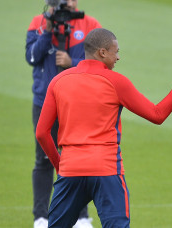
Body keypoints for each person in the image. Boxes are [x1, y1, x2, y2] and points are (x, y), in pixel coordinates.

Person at [35, 28, 172, 227]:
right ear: (102, 52)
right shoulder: (116, 82)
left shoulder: (58, 81)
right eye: (116, 51)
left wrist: (60, 165)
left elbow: (41, 133)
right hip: (106, 170)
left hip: (71, 169)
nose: (118, 57)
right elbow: (157, 115)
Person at [25, 0, 101, 227]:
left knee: (78, 158)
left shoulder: (89, 23)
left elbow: (101, 61)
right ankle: (40, 217)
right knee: (44, 160)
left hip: (77, 103)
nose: (69, 4)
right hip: (44, 102)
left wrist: (72, 62)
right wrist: (47, 32)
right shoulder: (38, 23)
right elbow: (31, 57)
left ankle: (81, 216)